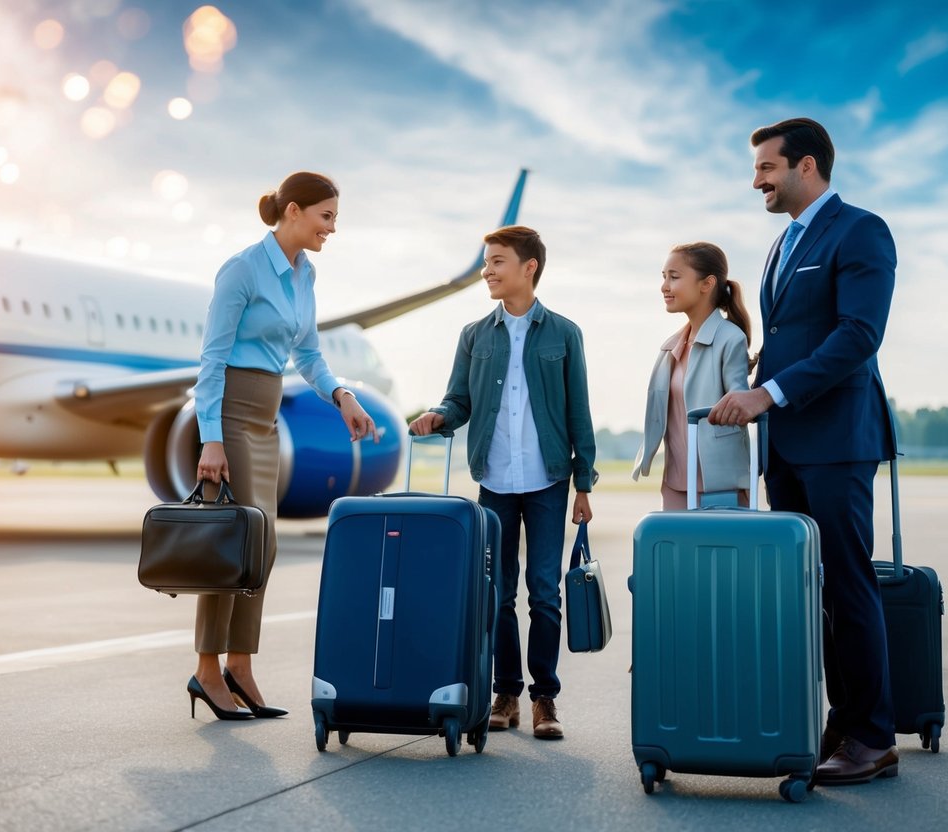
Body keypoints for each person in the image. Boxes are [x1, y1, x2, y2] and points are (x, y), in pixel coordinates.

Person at [708, 117, 899, 785]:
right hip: (785, 445)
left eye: (765, 167)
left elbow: (857, 336)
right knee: (811, 591)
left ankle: (873, 738)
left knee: (848, 583)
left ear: (806, 167)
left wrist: (770, 394)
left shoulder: (859, 230)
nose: (755, 179)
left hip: (835, 439)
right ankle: (841, 723)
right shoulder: (781, 244)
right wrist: (744, 382)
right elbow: (791, 334)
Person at [189, 171, 378, 721]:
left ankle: (240, 664)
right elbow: (211, 360)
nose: (332, 228)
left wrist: (342, 395)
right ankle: (207, 669)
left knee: (261, 544)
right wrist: (212, 439)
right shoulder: (243, 269)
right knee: (231, 544)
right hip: (231, 411)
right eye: (326, 217)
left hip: (268, 415)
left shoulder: (304, 274)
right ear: (293, 211)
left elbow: (309, 355)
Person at [408, 225, 596, 740]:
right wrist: (437, 415)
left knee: (544, 593)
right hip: (494, 480)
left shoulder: (563, 333)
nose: (487, 272)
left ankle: (545, 700)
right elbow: (459, 402)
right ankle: (507, 692)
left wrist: (584, 483)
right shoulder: (474, 335)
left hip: (548, 481)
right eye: (487, 263)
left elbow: (579, 412)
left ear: (529, 267)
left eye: (496, 262)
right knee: (496, 595)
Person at [631, 242, 752, 509]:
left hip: (719, 484)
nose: (664, 286)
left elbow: (741, 401)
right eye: (663, 277)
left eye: (674, 277)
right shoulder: (670, 346)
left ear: (706, 284)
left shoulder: (730, 339)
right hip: (675, 483)